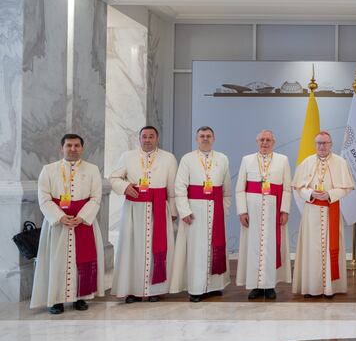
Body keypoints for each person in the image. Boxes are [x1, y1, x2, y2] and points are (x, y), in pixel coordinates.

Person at [31, 134, 105, 314]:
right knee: (56, 261)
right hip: (58, 224)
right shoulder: (48, 170)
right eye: (69, 145)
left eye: (77, 145)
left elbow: (96, 197)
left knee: (84, 260)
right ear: (61, 148)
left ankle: (81, 297)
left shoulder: (93, 169)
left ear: (82, 148)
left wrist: (82, 217)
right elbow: (44, 198)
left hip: (83, 222)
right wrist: (59, 217)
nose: (73, 149)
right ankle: (56, 300)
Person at [109, 126, 178, 303]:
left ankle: (156, 290)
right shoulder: (128, 156)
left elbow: (172, 188)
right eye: (144, 136)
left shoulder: (168, 158)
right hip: (134, 209)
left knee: (159, 248)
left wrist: (173, 210)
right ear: (139, 138)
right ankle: (132, 290)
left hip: (159, 209)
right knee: (132, 248)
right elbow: (114, 178)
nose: (147, 140)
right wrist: (125, 187)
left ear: (157, 138)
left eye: (151, 136)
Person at [171, 126, 232, 302]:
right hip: (194, 211)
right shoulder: (187, 159)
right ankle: (196, 288)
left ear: (214, 138)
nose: (205, 139)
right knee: (196, 250)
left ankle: (215, 286)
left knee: (215, 246)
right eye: (202, 136)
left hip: (216, 210)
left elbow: (226, 188)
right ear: (196, 139)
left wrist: (224, 208)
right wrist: (184, 210)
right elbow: (180, 187)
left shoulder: (222, 158)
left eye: (208, 136)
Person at [292, 131, 354, 297]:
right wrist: (310, 193)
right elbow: (299, 187)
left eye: (325, 143)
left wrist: (330, 194)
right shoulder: (306, 162)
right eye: (319, 143)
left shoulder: (340, 162)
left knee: (330, 247)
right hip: (311, 211)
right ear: (315, 144)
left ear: (331, 144)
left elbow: (346, 187)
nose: (322, 146)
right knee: (311, 249)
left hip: (330, 210)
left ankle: (330, 288)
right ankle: (311, 287)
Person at [235, 130, 292, 300]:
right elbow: (240, 188)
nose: (264, 143)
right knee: (253, 248)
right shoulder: (247, 160)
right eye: (261, 140)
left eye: (268, 140)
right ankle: (255, 286)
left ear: (273, 142)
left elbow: (287, 188)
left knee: (271, 247)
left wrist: (285, 210)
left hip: (274, 211)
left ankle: (269, 285)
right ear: (256, 141)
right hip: (252, 212)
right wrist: (242, 211)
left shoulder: (283, 160)